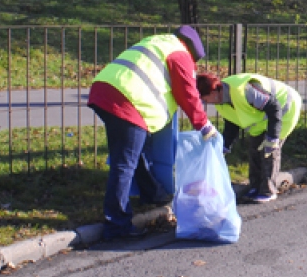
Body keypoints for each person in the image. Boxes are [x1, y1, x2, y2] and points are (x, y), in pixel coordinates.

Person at [88, 25, 217, 240]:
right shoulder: (180, 54)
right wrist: (203, 125)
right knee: (124, 163)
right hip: (128, 101)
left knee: (132, 154)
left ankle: (152, 194)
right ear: (193, 52)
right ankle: (117, 225)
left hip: (104, 90)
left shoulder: (157, 42)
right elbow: (188, 93)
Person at [196, 73, 301, 204]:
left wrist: (273, 137)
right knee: (254, 149)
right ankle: (255, 187)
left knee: (269, 151)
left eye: (203, 98)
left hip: (285, 108)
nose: (203, 102)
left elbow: (274, 107)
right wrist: (225, 146)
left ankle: (268, 191)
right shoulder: (220, 101)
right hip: (262, 119)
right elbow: (232, 123)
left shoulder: (244, 90)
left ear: (213, 91)